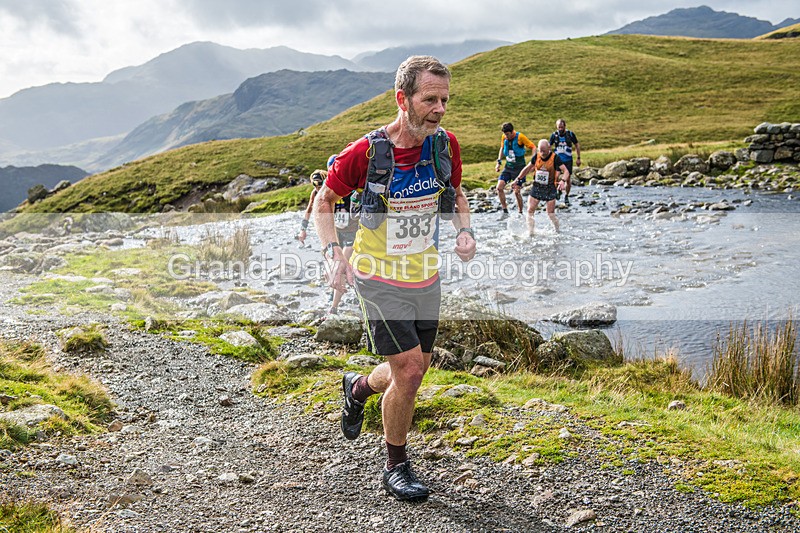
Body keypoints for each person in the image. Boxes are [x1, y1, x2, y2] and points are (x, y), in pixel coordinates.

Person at [313, 55, 476, 503]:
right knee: (409, 371)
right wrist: (332, 254)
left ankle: (358, 388)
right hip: (377, 277)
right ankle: (395, 466)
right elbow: (325, 200)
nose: (440, 109)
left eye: (445, 100)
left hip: (425, 275)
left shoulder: (445, 146)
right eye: (430, 100)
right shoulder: (366, 153)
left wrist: (464, 231)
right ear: (403, 100)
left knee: (417, 368)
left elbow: (457, 194)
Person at [297, 156, 356, 315]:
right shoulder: (320, 193)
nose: (318, 188)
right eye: (315, 186)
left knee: (340, 265)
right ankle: (335, 291)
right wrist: (303, 229)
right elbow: (310, 210)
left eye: (320, 185)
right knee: (334, 264)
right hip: (336, 233)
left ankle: (333, 308)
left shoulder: (350, 186)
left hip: (352, 232)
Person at [515, 139, 569, 234]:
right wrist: (518, 179)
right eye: (540, 151)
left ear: (549, 148)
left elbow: (566, 171)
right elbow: (527, 168)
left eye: (544, 151)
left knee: (550, 214)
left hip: (550, 187)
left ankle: (557, 231)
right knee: (530, 210)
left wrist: (563, 181)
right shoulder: (536, 156)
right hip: (537, 186)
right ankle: (531, 232)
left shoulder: (555, 158)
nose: (542, 153)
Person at [494, 122, 536, 219]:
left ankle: (520, 213)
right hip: (508, 167)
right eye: (505, 134)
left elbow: (533, 147)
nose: (506, 136)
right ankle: (505, 211)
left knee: (516, 192)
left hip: (519, 169)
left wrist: (533, 163)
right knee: (499, 188)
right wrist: (498, 162)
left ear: (512, 131)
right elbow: (502, 148)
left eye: (507, 134)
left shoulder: (520, 137)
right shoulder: (504, 137)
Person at [548, 118, 581, 206]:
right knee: (556, 177)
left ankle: (566, 196)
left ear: (565, 126)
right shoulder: (554, 135)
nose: (560, 129)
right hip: (558, 160)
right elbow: (549, 146)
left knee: (568, 179)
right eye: (559, 127)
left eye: (561, 127)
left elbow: (577, 145)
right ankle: (558, 191)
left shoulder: (570, 134)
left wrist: (578, 158)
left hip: (568, 160)